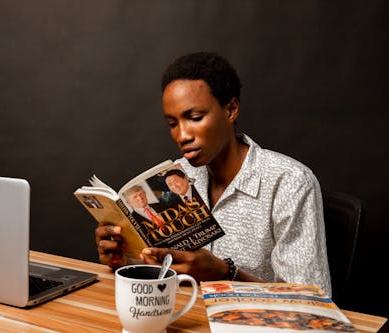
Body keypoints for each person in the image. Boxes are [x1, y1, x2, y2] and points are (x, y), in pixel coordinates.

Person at [95, 52, 332, 295]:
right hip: (184, 316)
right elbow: (163, 271)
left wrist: (226, 273)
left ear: (231, 110)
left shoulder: (289, 182)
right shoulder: (175, 176)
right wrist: (123, 258)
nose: (182, 135)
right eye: (172, 123)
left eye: (195, 117)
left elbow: (310, 303)